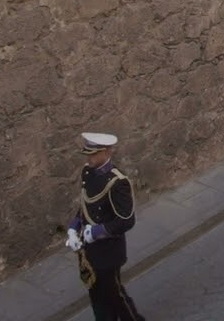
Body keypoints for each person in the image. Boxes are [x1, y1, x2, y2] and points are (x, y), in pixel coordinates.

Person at [66, 132, 145, 321]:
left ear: (107, 152)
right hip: (89, 251)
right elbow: (86, 205)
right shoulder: (88, 172)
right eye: (88, 154)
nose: (89, 158)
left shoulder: (118, 182)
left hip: (109, 251)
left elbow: (126, 220)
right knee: (96, 296)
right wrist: (73, 227)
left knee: (115, 295)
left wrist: (95, 232)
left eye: (94, 154)